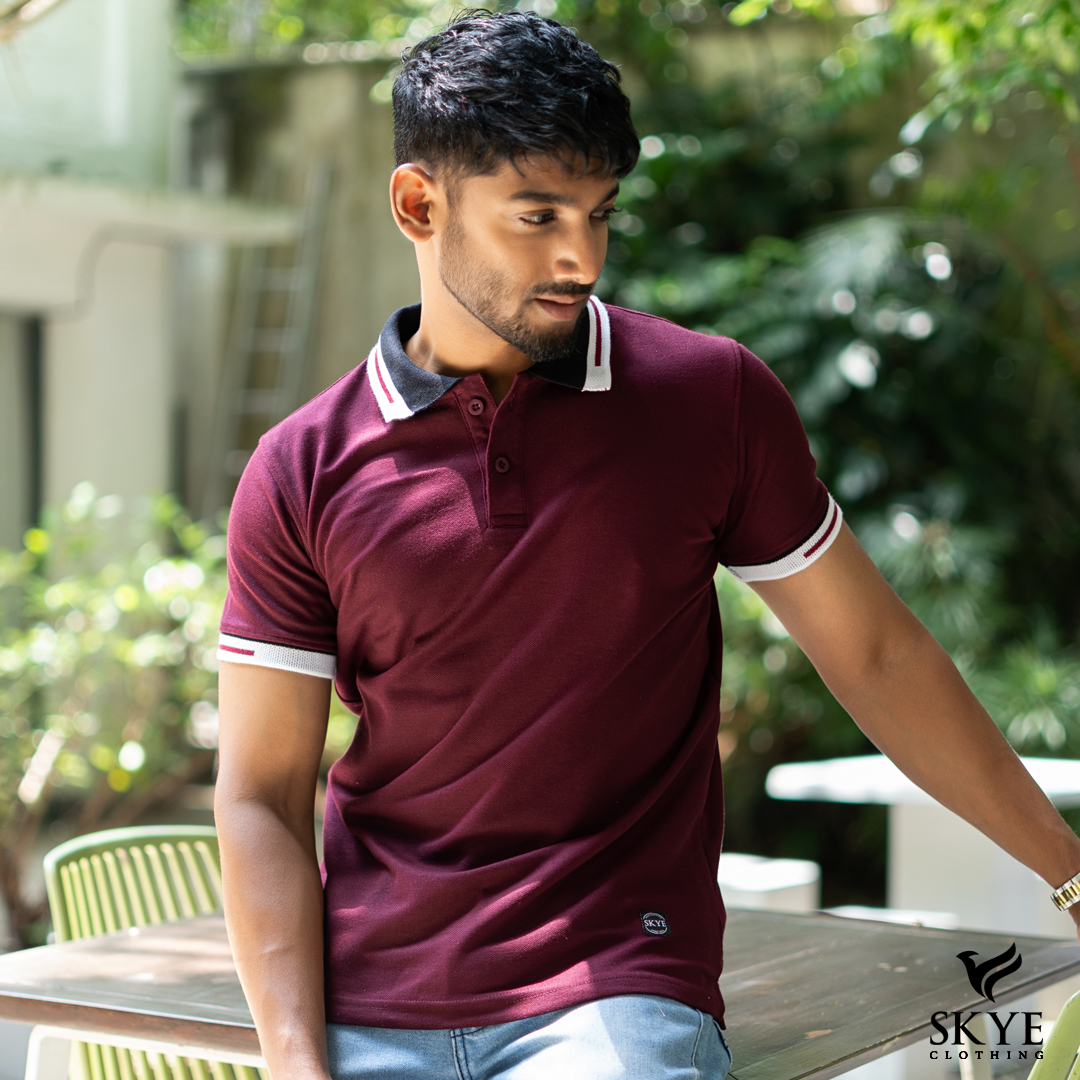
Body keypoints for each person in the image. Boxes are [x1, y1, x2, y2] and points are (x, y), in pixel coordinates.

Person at [213, 10, 1080, 1080]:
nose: (580, 256)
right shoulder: (301, 469)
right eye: (537, 216)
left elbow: (878, 656)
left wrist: (1070, 872)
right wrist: (297, 1061)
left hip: (614, 986)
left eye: (600, 214)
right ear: (418, 205)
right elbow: (261, 793)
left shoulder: (708, 401)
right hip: (372, 997)